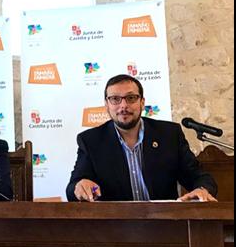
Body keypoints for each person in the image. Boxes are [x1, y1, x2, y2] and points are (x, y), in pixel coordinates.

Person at [67, 74, 217, 202]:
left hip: (164, 221)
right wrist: (80, 186)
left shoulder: (169, 134)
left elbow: (198, 176)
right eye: (115, 99)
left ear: (142, 102)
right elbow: (73, 187)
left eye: (131, 98)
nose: (123, 106)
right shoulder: (91, 140)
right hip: (117, 224)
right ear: (106, 105)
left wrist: (202, 190)